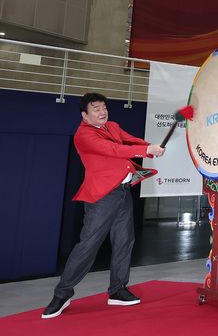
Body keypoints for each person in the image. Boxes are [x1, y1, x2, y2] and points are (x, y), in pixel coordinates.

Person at [42, 92, 165, 319]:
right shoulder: (83, 135)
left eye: (104, 107)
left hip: (122, 192)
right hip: (101, 197)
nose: (102, 111)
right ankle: (62, 294)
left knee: (124, 241)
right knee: (88, 245)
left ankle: (117, 290)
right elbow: (114, 150)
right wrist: (147, 151)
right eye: (96, 108)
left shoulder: (113, 126)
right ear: (85, 115)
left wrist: (150, 146)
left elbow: (129, 140)